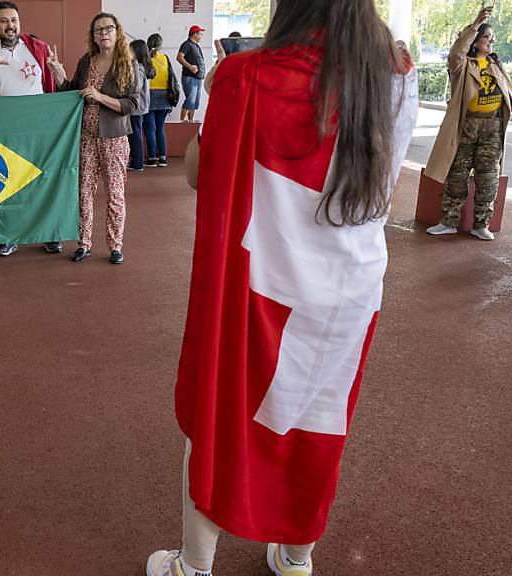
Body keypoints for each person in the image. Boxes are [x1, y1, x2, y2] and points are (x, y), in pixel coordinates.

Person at [146, 0, 418, 574]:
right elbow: (384, 181)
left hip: (261, 279)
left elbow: (201, 174)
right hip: (349, 282)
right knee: (318, 419)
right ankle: (296, 558)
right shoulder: (395, 69)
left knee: (220, 413)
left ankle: (193, 566)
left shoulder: (246, 75)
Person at [423, 6, 512, 240]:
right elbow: (456, 52)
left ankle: (482, 223)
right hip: (466, 126)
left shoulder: (496, 65)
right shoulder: (462, 65)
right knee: (457, 173)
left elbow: (511, 97)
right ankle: (448, 221)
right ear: (476, 41)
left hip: (492, 128)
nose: (492, 42)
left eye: (492, 38)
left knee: (489, 176)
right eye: (488, 37)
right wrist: (477, 23)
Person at [0, 1, 64, 256]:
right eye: (4, 21)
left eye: (14, 20)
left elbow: (59, 83)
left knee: (43, 182)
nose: (10, 25)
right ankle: (8, 236)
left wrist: (57, 70)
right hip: (3, 128)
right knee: (7, 183)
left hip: (39, 126)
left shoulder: (39, 48)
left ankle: (50, 234)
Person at [49, 13, 138, 264]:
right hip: (86, 137)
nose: (104, 33)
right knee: (84, 192)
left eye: (108, 28)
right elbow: (71, 92)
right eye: (98, 30)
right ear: (93, 36)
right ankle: (84, 243)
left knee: (115, 194)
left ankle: (115, 246)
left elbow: (134, 104)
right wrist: (57, 73)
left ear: (117, 32)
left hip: (115, 139)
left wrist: (99, 97)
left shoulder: (128, 63)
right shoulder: (86, 61)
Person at [144, 33, 174, 168]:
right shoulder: (165, 58)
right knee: (160, 128)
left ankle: (151, 158)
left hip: (150, 94)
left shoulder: (145, 59)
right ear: (160, 45)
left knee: (150, 128)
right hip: (165, 95)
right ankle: (162, 158)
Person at [128, 39, 154, 172]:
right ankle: (137, 161)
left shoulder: (138, 67)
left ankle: (137, 163)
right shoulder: (145, 66)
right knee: (136, 134)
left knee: (135, 135)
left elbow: (136, 86)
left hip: (137, 107)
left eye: (131, 49)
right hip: (142, 106)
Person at [176, 25, 205, 123]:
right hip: (190, 77)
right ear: (194, 34)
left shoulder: (196, 46)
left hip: (198, 78)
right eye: (200, 34)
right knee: (190, 101)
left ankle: (190, 122)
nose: (201, 36)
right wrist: (190, 67)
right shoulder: (186, 44)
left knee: (194, 103)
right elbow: (179, 57)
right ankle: (182, 122)